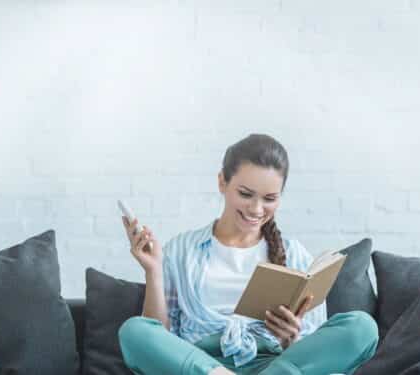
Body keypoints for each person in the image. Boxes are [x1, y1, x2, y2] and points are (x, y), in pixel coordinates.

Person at [117, 134, 378, 375]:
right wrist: (153, 271)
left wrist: (291, 340)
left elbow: (310, 350)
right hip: (201, 365)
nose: (256, 209)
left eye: (269, 198)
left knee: (362, 328)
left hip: (274, 365)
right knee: (134, 331)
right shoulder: (183, 250)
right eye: (245, 194)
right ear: (222, 182)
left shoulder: (294, 254)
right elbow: (160, 337)